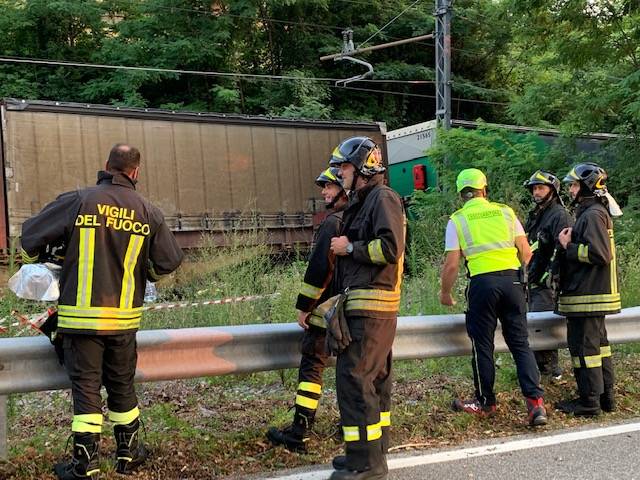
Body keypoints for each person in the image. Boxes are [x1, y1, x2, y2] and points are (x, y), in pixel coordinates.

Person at [20, 144, 184, 479]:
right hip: (123, 321)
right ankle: (130, 454)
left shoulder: (80, 200)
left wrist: (50, 261)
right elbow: (169, 260)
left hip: (80, 320)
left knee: (86, 388)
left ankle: (85, 465)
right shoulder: (148, 211)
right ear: (135, 172)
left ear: (107, 167)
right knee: (122, 384)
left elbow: (27, 240)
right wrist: (145, 273)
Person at [439, 168, 547, 427]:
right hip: (512, 283)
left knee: (482, 345)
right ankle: (535, 405)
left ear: (461, 194)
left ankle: (486, 403)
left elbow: (452, 264)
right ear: (484, 190)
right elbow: (526, 252)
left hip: (482, 286)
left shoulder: (458, 219)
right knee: (520, 343)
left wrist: (445, 293)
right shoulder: (506, 212)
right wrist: (525, 282)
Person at [328, 136, 405, 480]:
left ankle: (367, 465)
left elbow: (390, 248)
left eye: (343, 167)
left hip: (372, 309)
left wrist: (349, 248)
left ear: (361, 167)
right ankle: (370, 452)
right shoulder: (366, 200)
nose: (339, 173)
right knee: (371, 382)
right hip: (368, 308)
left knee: (356, 381)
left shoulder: (382, 198)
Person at [266, 167, 348, 452]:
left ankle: (300, 431)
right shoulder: (363, 219)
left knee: (313, 365)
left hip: (327, 309)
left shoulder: (332, 224)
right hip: (355, 310)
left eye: (328, 186)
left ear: (343, 187)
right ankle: (349, 428)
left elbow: (318, 270)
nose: (324, 192)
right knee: (350, 370)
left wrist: (304, 307)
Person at [554, 162, 620, 416]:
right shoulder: (595, 213)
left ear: (587, 186)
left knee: (585, 349)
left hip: (587, 295)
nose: (570, 190)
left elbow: (599, 254)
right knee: (599, 347)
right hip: (593, 295)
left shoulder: (592, 215)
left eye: (573, 185)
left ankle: (589, 401)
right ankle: (606, 398)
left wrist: (567, 246)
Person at [523, 170, 573, 379]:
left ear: (552, 190)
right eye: (534, 188)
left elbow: (562, 248)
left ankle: (551, 372)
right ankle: (540, 370)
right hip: (533, 279)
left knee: (542, 329)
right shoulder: (537, 214)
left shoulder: (559, 215)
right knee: (535, 327)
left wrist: (550, 277)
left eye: (540, 188)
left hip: (546, 283)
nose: (536, 192)